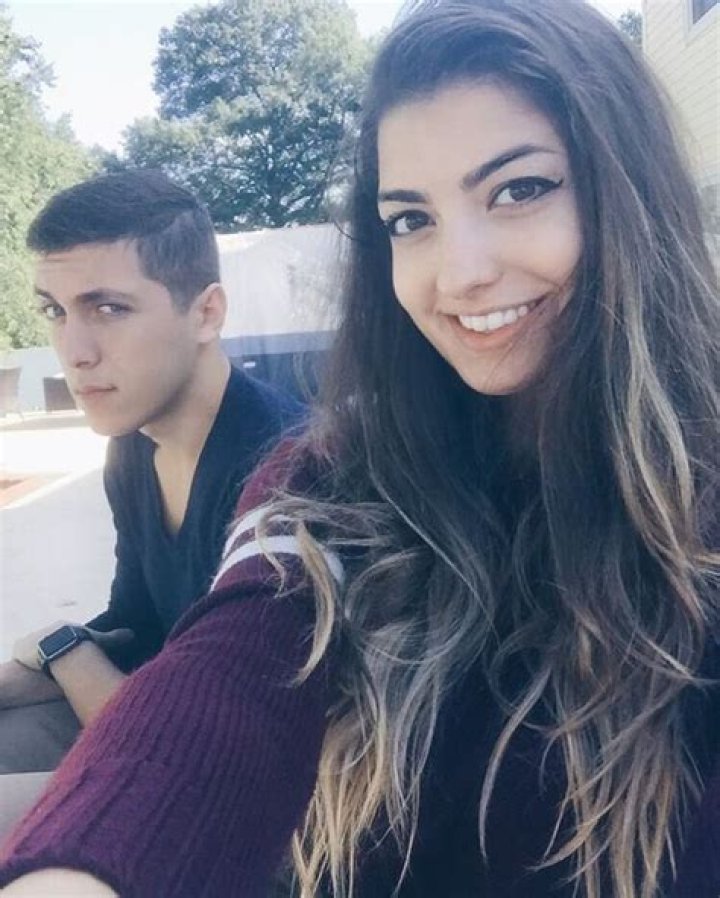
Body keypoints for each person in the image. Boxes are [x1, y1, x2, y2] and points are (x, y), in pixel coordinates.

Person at [1, 1, 718, 895]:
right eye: (410, 220)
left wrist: (63, 649)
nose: (460, 272)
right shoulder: (339, 474)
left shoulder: (265, 439)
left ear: (627, 189)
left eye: (519, 190)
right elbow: (228, 663)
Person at [0, 171, 303, 824]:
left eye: (108, 309)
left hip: (261, 803)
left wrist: (61, 647)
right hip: (165, 727)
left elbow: (203, 746)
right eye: (55, 311)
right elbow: (136, 625)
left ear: (207, 313)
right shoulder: (134, 448)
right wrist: (42, 664)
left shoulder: (284, 474)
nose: (74, 352)